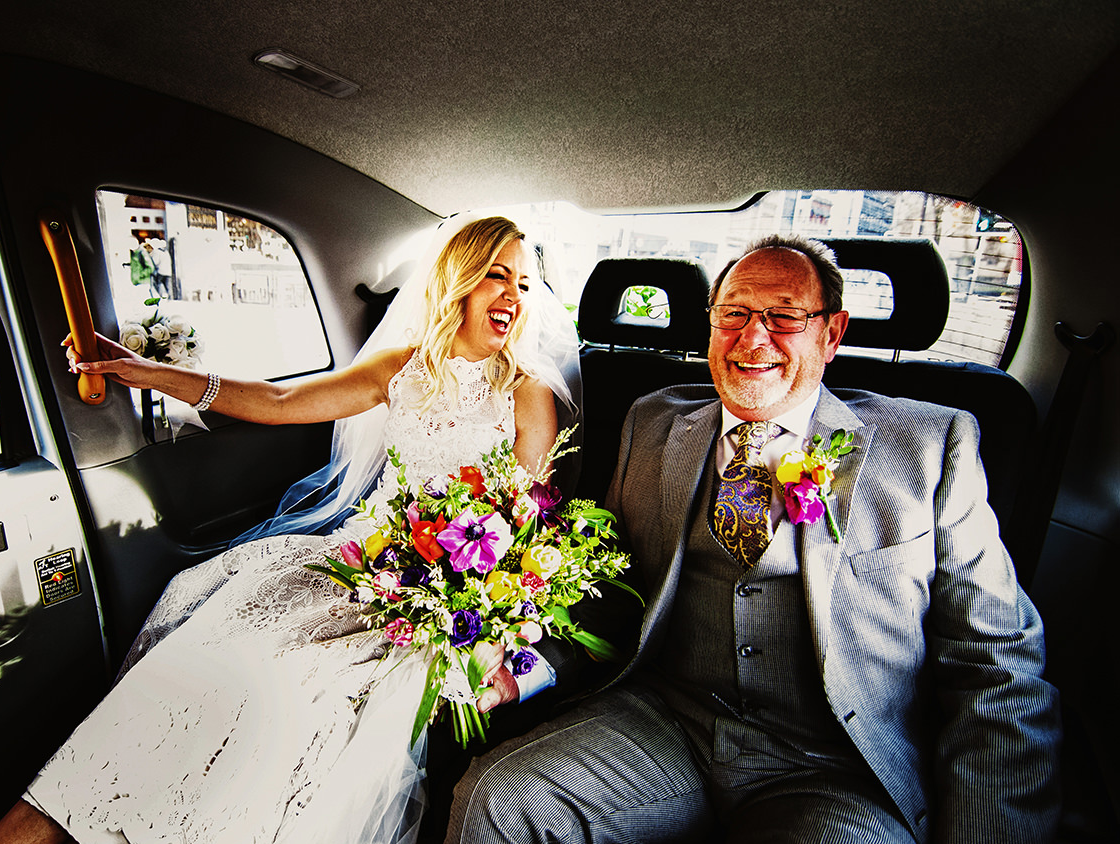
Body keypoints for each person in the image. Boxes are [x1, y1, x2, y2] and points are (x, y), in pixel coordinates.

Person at [0, 214, 581, 844]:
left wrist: (477, 612)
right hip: (357, 567)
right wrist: (152, 373)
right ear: (459, 280)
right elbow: (280, 403)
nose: (513, 296)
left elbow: (521, 521)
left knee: (286, 707)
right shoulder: (400, 368)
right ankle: (62, 814)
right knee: (196, 664)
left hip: (439, 602)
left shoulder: (526, 392)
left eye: (524, 282)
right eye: (496, 276)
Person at [447, 234, 1062, 843]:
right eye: (733, 314)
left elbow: (997, 661)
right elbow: (609, 595)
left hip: (834, 766)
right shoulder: (653, 422)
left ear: (832, 333)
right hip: (667, 724)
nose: (753, 337)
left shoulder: (930, 447)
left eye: (785, 316)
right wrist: (525, 670)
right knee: (495, 801)